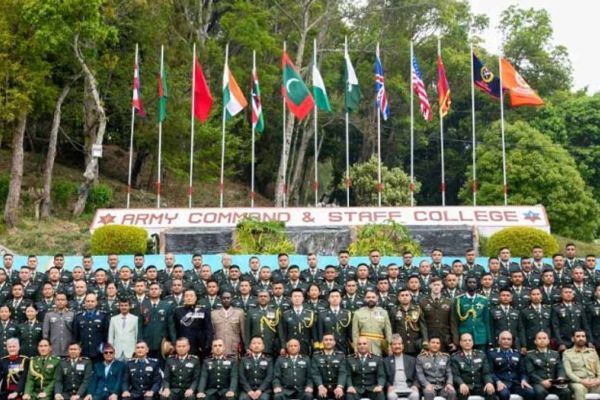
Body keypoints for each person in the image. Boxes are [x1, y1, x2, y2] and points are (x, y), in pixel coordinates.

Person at [487, 331, 534, 400]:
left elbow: (523, 371)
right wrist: (497, 381)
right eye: (503, 339)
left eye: (509, 339)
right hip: (501, 383)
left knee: (530, 392)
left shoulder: (517, 353)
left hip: (515, 383)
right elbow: (490, 372)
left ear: (512, 341)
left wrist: (523, 380)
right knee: (504, 394)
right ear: (499, 341)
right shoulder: (492, 353)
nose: (506, 341)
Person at [525, 331, 571, 400]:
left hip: (553, 383)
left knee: (566, 392)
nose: (542, 340)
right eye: (539, 338)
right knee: (540, 392)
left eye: (544, 338)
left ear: (548, 341)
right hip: (538, 383)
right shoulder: (530, 355)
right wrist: (542, 381)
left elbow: (560, 368)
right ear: (535, 341)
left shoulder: (555, 354)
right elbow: (530, 372)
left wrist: (560, 377)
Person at [450, 333, 495, 400]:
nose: (467, 342)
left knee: (491, 391)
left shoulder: (481, 355)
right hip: (465, 386)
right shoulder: (455, 357)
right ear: (460, 343)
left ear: (473, 342)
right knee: (462, 393)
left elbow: (486, 373)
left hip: (479, 386)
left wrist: (488, 382)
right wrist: (461, 384)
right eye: (465, 340)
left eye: (469, 340)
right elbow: (456, 375)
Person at [451, 276, 491, 349]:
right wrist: (455, 340)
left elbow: (487, 321)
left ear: (477, 284)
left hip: (480, 337)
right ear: (466, 284)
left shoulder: (483, 300)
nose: (472, 284)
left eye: (474, 282)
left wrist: (489, 339)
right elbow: (455, 321)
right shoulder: (459, 300)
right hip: (464, 336)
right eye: (469, 282)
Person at [419, 277, 457, 352]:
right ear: (430, 286)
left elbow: (453, 322)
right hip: (430, 337)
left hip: (446, 338)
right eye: (434, 285)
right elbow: (422, 323)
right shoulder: (423, 302)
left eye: (438, 285)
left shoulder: (448, 301)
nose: (436, 287)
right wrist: (425, 340)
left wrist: (455, 341)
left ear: (442, 286)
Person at [140, 283, 176, 361]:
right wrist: (140, 340)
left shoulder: (167, 306)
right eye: (152, 289)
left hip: (162, 342)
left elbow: (171, 325)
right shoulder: (143, 305)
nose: (154, 291)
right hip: (147, 341)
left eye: (156, 289)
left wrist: (173, 341)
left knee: (161, 364)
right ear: (148, 291)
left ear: (160, 291)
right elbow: (140, 325)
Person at [562, 329, 600, 400]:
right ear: (573, 339)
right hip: (577, 382)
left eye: (583, 336)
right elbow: (568, 372)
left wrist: (598, 380)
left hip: (593, 381)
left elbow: (599, 368)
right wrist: (581, 381)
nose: (581, 338)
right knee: (579, 389)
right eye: (578, 336)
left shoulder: (592, 352)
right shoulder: (567, 353)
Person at [352, 290, 392, 356]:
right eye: (368, 297)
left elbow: (388, 331)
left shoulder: (384, 313)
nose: (371, 299)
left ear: (377, 298)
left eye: (373, 297)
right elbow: (355, 333)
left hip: (378, 346)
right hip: (363, 346)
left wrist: (389, 347)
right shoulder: (358, 313)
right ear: (365, 299)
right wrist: (356, 348)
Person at [174, 290, 213, 358]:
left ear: (195, 298)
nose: (189, 298)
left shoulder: (203, 310)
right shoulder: (178, 311)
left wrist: (207, 345)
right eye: (186, 296)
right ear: (183, 298)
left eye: (191, 296)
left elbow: (208, 329)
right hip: (183, 346)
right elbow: (175, 329)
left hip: (200, 346)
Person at [346, 336, 386, 400]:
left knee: (380, 394)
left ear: (368, 345)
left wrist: (380, 386)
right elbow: (348, 375)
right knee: (349, 395)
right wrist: (350, 386)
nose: (362, 346)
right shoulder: (350, 359)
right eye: (359, 344)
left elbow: (381, 375)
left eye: (364, 344)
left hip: (372, 388)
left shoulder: (377, 359)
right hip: (356, 389)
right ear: (356, 346)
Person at [389, 289, 427, 356]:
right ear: (399, 298)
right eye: (402, 295)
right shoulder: (394, 310)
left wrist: (425, 342)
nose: (405, 297)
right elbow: (392, 328)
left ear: (410, 297)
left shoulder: (417, 309)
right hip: (401, 345)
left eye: (407, 295)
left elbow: (423, 327)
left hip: (415, 344)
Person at [72, 294, 110, 362]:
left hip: (98, 352)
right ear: (85, 302)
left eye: (92, 301)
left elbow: (106, 334)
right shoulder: (78, 317)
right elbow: (75, 336)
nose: (90, 303)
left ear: (96, 302)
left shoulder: (103, 316)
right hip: (83, 351)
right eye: (88, 301)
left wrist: (104, 347)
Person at [279, 289, 316, 356]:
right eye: (295, 296)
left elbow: (313, 332)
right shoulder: (286, 314)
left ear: (303, 298)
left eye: (299, 296)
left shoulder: (310, 313)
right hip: (291, 345)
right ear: (291, 299)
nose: (297, 298)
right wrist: (283, 346)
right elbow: (283, 332)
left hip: (305, 345)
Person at [382, 335, 418, 400]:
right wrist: (389, 386)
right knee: (391, 396)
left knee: (415, 395)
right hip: (393, 388)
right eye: (394, 344)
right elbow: (383, 378)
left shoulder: (411, 360)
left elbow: (416, 376)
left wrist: (415, 385)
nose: (397, 346)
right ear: (391, 346)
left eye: (399, 344)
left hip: (409, 387)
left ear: (403, 346)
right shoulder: (385, 361)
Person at [310, 334, 346, 400]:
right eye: (326, 340)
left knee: (340, 396)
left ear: (334, 342)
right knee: (321, 396)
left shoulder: (341, 356)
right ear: (322, 342)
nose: (328, 342)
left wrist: (339, 387)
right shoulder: (316, 356)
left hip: (336, 386)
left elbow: (342, 373)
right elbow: (315, 373)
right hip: (322, 386)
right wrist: (320, 387)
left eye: (330, 340)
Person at [316, 289, 352, 354]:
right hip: (327, 344)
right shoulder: (322, 313)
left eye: (337, 296)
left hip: (342, 344)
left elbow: (349, 332)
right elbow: (320, 331)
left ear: (340, 299)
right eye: (332, 297)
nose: (335, 298)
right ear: (328, 299)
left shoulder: (347, 313)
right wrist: (321, 343)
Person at [210, 292, 245, 357]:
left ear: (232, 299)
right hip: (218, 348)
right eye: (224, 298)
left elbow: (243, 332)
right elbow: (212, 332)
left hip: (234, 347)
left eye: (228, 298)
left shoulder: (239, 313)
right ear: (221, 300)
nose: (226, 300)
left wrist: (245, 347)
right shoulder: (214, 314)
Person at [42, 293, 74, 358]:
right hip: (53, 350)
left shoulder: (72, 314)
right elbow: (45, 333)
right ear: (55, 301)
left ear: (66, 301)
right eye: (58, 300)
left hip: (68, 349)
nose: (60, 302)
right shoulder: (49, 315)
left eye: (62, 300)